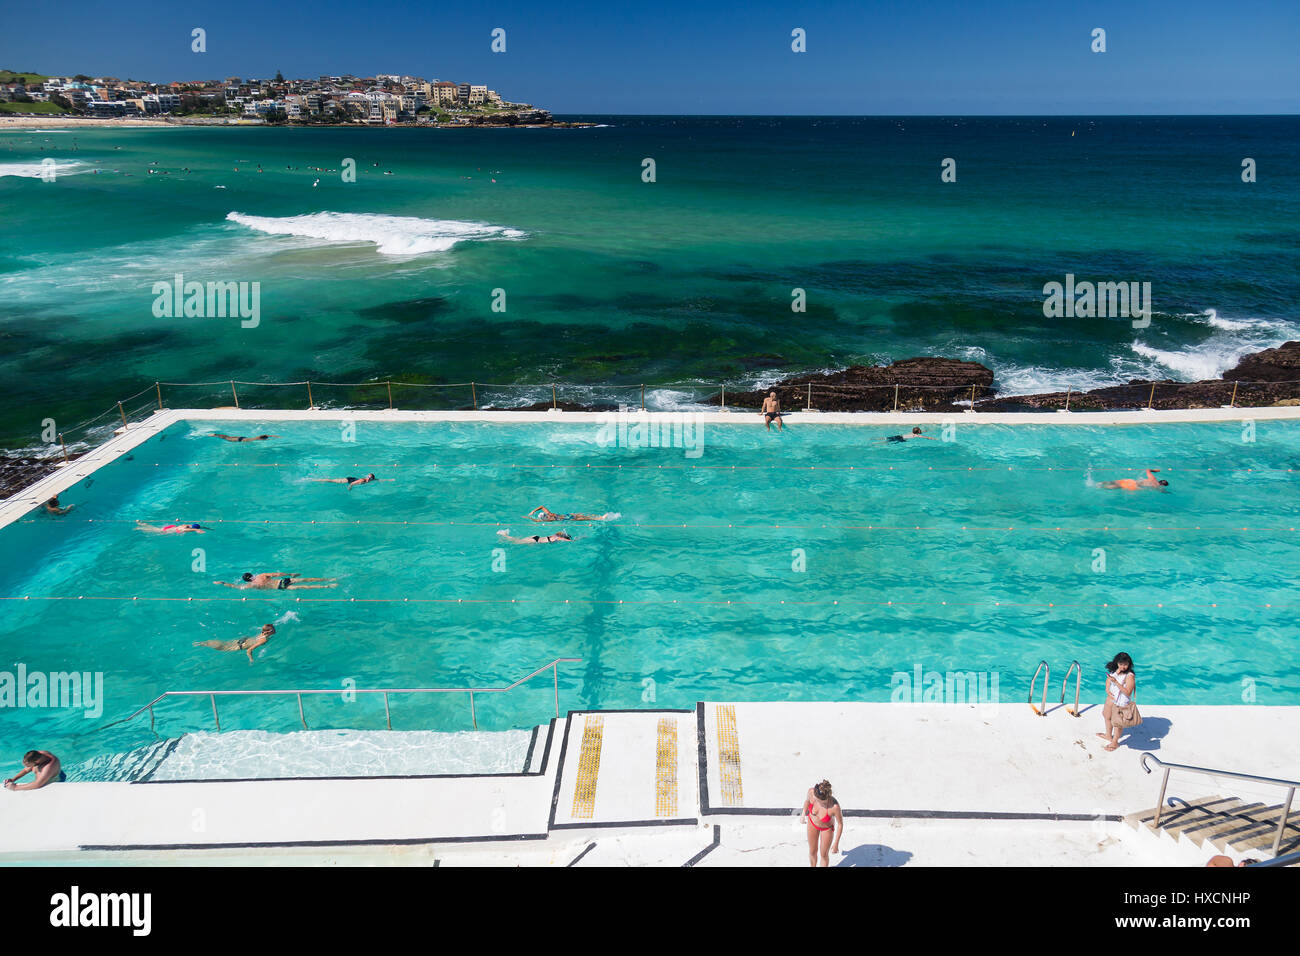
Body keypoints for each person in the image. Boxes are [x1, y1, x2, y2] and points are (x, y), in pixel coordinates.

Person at [1098, 652, 1137, 751]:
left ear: (1129, 664)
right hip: (1110, 700)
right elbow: (1108, 680)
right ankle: (1108, 735)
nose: (1123, 667)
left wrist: (1116, 682)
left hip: (1121, 703)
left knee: (1117, 723)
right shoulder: (1115, 671)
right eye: (1121, 664)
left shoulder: (1129, 675)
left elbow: (1128, 692)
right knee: (1106, 716)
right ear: (1117, 663)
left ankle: (1115, 742)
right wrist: (1107, 690)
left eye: (1125, 664)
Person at [803, 779, 843, 866]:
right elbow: (807, 801)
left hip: (826, 829)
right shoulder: (811, 792)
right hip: (812, 824)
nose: (819, 803)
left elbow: (840, 824)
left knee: (824, 855)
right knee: (812, 851)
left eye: (822, 803)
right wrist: (803, 814)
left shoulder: (834, 806)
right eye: (817, 800)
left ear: (827, 798)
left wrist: (836, 843)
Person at [194, 623, 275, 664]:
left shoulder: (262, 633)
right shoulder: (263, 640)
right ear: (268, 632)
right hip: (239, 646)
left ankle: (200, 643)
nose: (274, 631)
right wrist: (251, 660)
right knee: (222, 647)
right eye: (272, 630)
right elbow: (249, 650)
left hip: (241, 640)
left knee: (224, 643)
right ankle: (200, 644)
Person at [215, 572, 337, 590]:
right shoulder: (262, 575)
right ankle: (329, 579)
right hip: (283, 580)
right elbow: (277, 574)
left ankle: (328, 586)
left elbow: (237, 587)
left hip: (281, 587)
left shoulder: (252, 585)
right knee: (306, 579)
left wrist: (223, 583)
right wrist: (290, 574)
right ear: (251, 574)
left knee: (305, 587)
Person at [1096, 469, 1168, 491]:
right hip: (1133, 486)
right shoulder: (1157, 486)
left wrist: (1155, 471)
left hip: (1132, 481)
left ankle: (1100, 483)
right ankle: (1101, 487)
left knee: (1115, 482)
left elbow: (1147, 470)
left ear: (1160, 480)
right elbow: (1162, 491)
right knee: (1118, 487)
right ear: (1162, 485)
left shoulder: (1153, 478)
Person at [526, 506, 620, 523]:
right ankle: (600, 517)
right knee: (584, 516)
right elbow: (542, 507)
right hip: (567, 515)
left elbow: (537, 521)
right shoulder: (550, 515)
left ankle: (600, 518)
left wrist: (530, 517)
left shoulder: (549, 519)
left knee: (585, 518)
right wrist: (533, 512)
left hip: (568, 518)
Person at [496, 528, 573, 544]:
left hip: (536, 537)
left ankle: (503, 539)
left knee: (519, 540)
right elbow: (570, 541)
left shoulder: (555, 535)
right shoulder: (558, 538)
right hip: (535, 540)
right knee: (516, 541)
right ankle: (504, 535)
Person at [309, 474, 377, 489]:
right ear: (366, 477)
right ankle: (315, 479)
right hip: (349, 480)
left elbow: (374, 479)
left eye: (370, 478)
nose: (368, 479)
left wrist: (377, 480)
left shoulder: (369, 480)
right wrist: (350, 487)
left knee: (332, 480)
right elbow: (353, 483)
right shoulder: (363, 480)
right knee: (331, 480)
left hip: (352, 478)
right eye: (368, 478)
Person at [136, 521, 207, 534]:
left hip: (172, 527)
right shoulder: (187, 528)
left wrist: (205, 528)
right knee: (154, 530)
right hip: (168, 530)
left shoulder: (187, 525)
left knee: (155, 528)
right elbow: (184, 530)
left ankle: (142, 524)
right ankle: (141, 526)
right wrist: (195, 530)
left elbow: (199, 526)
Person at [211, 433, 280, 442]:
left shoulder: (259, 436)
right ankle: (215, 435)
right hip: (240, 439)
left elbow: (266, 435)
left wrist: (275, 436)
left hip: (242, 437)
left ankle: (216, 434)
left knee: (228, 437)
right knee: (227, 438)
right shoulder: (258, 439)